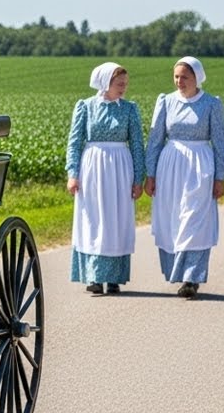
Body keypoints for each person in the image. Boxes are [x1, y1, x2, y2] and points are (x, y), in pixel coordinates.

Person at [144, 56, 224, 298]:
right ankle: (177, 272)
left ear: (197, 78)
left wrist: (220, 176)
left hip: (200, 165)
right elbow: (155, 140)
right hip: (170, 165)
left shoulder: (211, 103)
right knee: (172, 219)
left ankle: (192, 277)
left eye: (185, 77)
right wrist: (150, 173)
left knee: (195, 220)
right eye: (177, 77)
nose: (180, 81)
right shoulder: (166, 101)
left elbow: (220, 141)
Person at [66, 62, 146, 296]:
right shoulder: (86, 107)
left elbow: (138, 145)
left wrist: (138, 178)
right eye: (119, 83)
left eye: (125, 84)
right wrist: (73, 173)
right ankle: (94, 276)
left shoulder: (130, 109)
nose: (123, 88)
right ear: (105, 82)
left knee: (117, 220)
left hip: (121, 169)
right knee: (93, 220)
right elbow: (75, 142)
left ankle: (114, 278)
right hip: (92, 169)